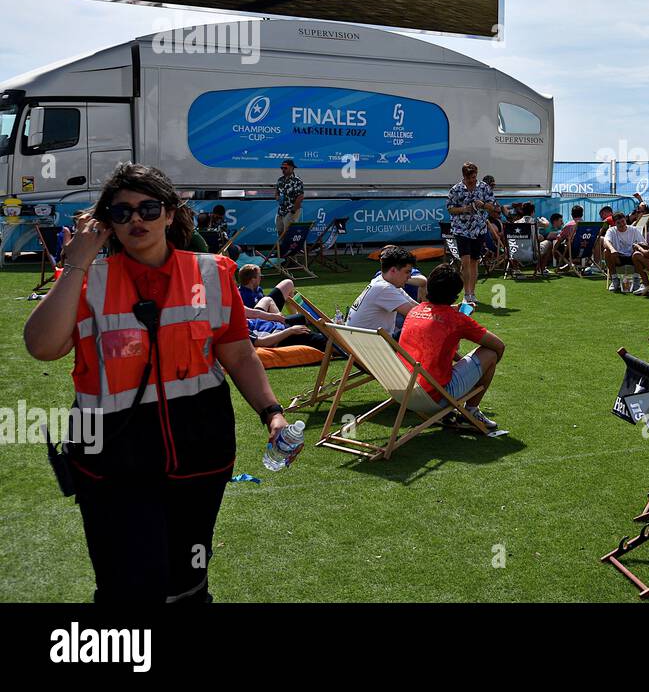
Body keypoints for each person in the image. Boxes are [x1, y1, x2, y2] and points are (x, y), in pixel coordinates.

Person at [22, 163, 289, 602]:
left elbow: (238, 352)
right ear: (106, 222)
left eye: (148, 208)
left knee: (189, 579)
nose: (136, 220)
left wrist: (272, 412)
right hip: (111, 464)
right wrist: (74, 264)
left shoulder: (213, 272)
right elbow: (42, 347)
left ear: (169, 213)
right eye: (121, 212)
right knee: (127, 584)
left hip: (199, 456)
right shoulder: (86, 280)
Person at [398, 264, 504, 431]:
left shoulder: (414, 311)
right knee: (490, 354)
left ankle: (457, 410)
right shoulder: (457, 320)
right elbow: (499, 346)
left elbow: (437, 314)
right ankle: (471, 410)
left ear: (429, 288)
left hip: (402, 391)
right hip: (434, 397)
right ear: (454, 297)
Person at [447, 162, 494, 306]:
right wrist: (464, 209)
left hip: (478, 229)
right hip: (461, 229)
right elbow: (450, 209)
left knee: (474, 262)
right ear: (464, 176)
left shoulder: (484, 187)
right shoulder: (456, 189)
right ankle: (466, 294)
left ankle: (472, 293)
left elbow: (492, 207)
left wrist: (483, 204)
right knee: (465, 262)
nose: (472, 180)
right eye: (469, 178)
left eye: (474, 177)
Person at [347, 245, 419, 334]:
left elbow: (417, 307)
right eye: (407, 272)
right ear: (393, 270)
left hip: (363, 341)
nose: (410, 277)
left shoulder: (383, 282)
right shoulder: (384, 288)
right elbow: (415, 314)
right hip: (371, 345)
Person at [602, 211, 645, 292]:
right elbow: (606, 242)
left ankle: (636, 280)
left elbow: (643, 244)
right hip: (618, 257)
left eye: (623, 221)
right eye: (618, 223)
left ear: (625, 220)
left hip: (633, 257)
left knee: (638, 253)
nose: (622, 224)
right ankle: (614, 279)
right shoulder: (611, 230)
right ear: (615, 223)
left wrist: (638, 246)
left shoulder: (634, 230)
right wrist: (612, 249)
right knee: (606, 251)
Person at [274, 159, 304, 241]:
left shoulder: (297, 181)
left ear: (291, 168)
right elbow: (276, 193)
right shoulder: (280, 179)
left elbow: (300, 197)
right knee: (279, 230)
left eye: (285, 168)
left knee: (289, 231)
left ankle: (289, 250)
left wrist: (293, 211)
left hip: (292, 209)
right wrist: (277, 197)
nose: (283, 170)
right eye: (282, 168)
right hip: (281, 210)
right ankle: (282, 250)